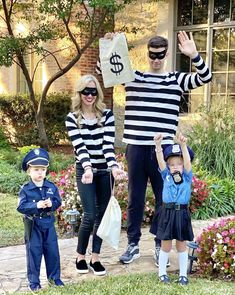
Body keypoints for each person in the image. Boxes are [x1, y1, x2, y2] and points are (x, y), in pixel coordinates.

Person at [97, 31, 212, 265]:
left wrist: (194, 55)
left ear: (167, 54)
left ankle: (161, 244)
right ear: (147, 54)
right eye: (152, 55)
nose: (156, 60)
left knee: (164, 198)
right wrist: (110, 46)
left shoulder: (176, 80)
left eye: (160, 55)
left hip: (166, 152)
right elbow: (103, 70)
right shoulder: (133, 76)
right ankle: (133, 244)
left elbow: (206, 77)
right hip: (137, 147)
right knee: (135, 198)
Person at [65, 74, 124, 276]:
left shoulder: (107, 115)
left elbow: (107, 145)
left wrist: (114, 167)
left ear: (97, 93)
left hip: (104, 171)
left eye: (93, 92)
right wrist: (88, 168)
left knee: (101, 215)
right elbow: (80, 147)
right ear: (79, 94)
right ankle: (80, 256)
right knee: (89, 215)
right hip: (85, 170)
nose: (89, 96)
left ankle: (95, 257)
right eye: (85, 92)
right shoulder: (72, 118)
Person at [17, 148, 64, 292]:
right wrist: (36, 205)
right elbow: (21, 207)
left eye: (43, 169)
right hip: (34, 226)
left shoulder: (51, 187)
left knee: (53, 252)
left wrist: (52, 204)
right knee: (34, 253)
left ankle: (54, 279)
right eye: (36, 169)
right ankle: (34, 282)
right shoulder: (25, 189)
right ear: (28, 171)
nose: (40, 173)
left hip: (48, 224)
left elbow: (58, 201)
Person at [150, 132, 194, 285]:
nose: (175, 167)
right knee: (166, 244)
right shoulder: (166, 176)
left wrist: (183, 145)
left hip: (181, 213)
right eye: (172, 164)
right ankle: (162, 273)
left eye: (179, 163)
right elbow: (160, 161)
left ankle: (183, 275)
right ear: (168, 167)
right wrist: (157, 146)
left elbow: (188, 163)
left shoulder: (187, 177)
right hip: (167, 213)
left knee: (181, 245)